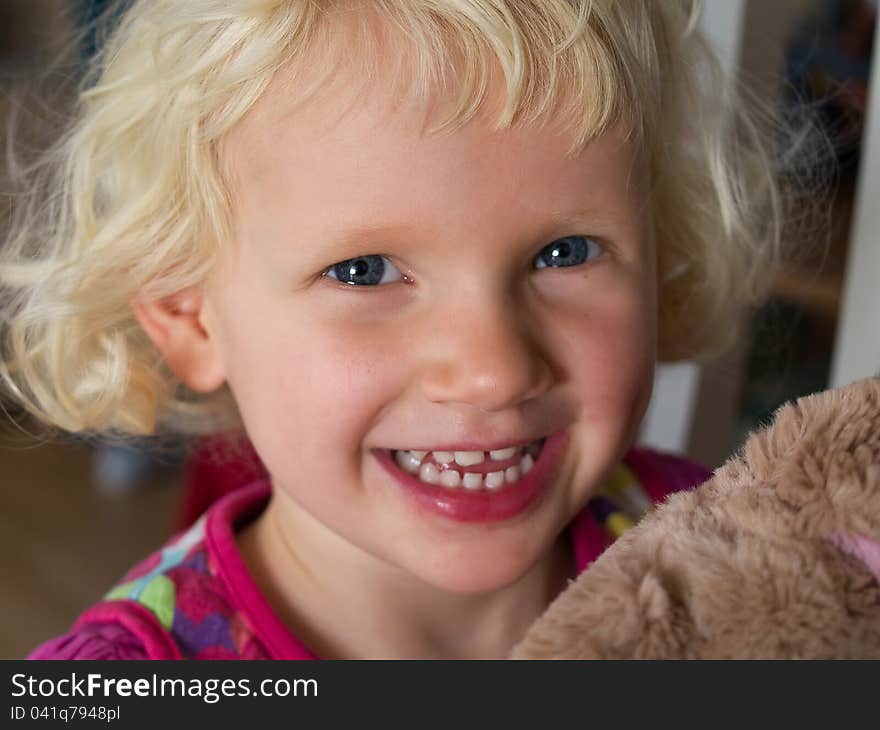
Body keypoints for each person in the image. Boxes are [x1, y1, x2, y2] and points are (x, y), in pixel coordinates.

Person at [2, 0, 789, 659]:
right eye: (364, 271)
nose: (494, 370)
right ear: (188, 317)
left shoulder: (725, 547)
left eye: (564, 252)